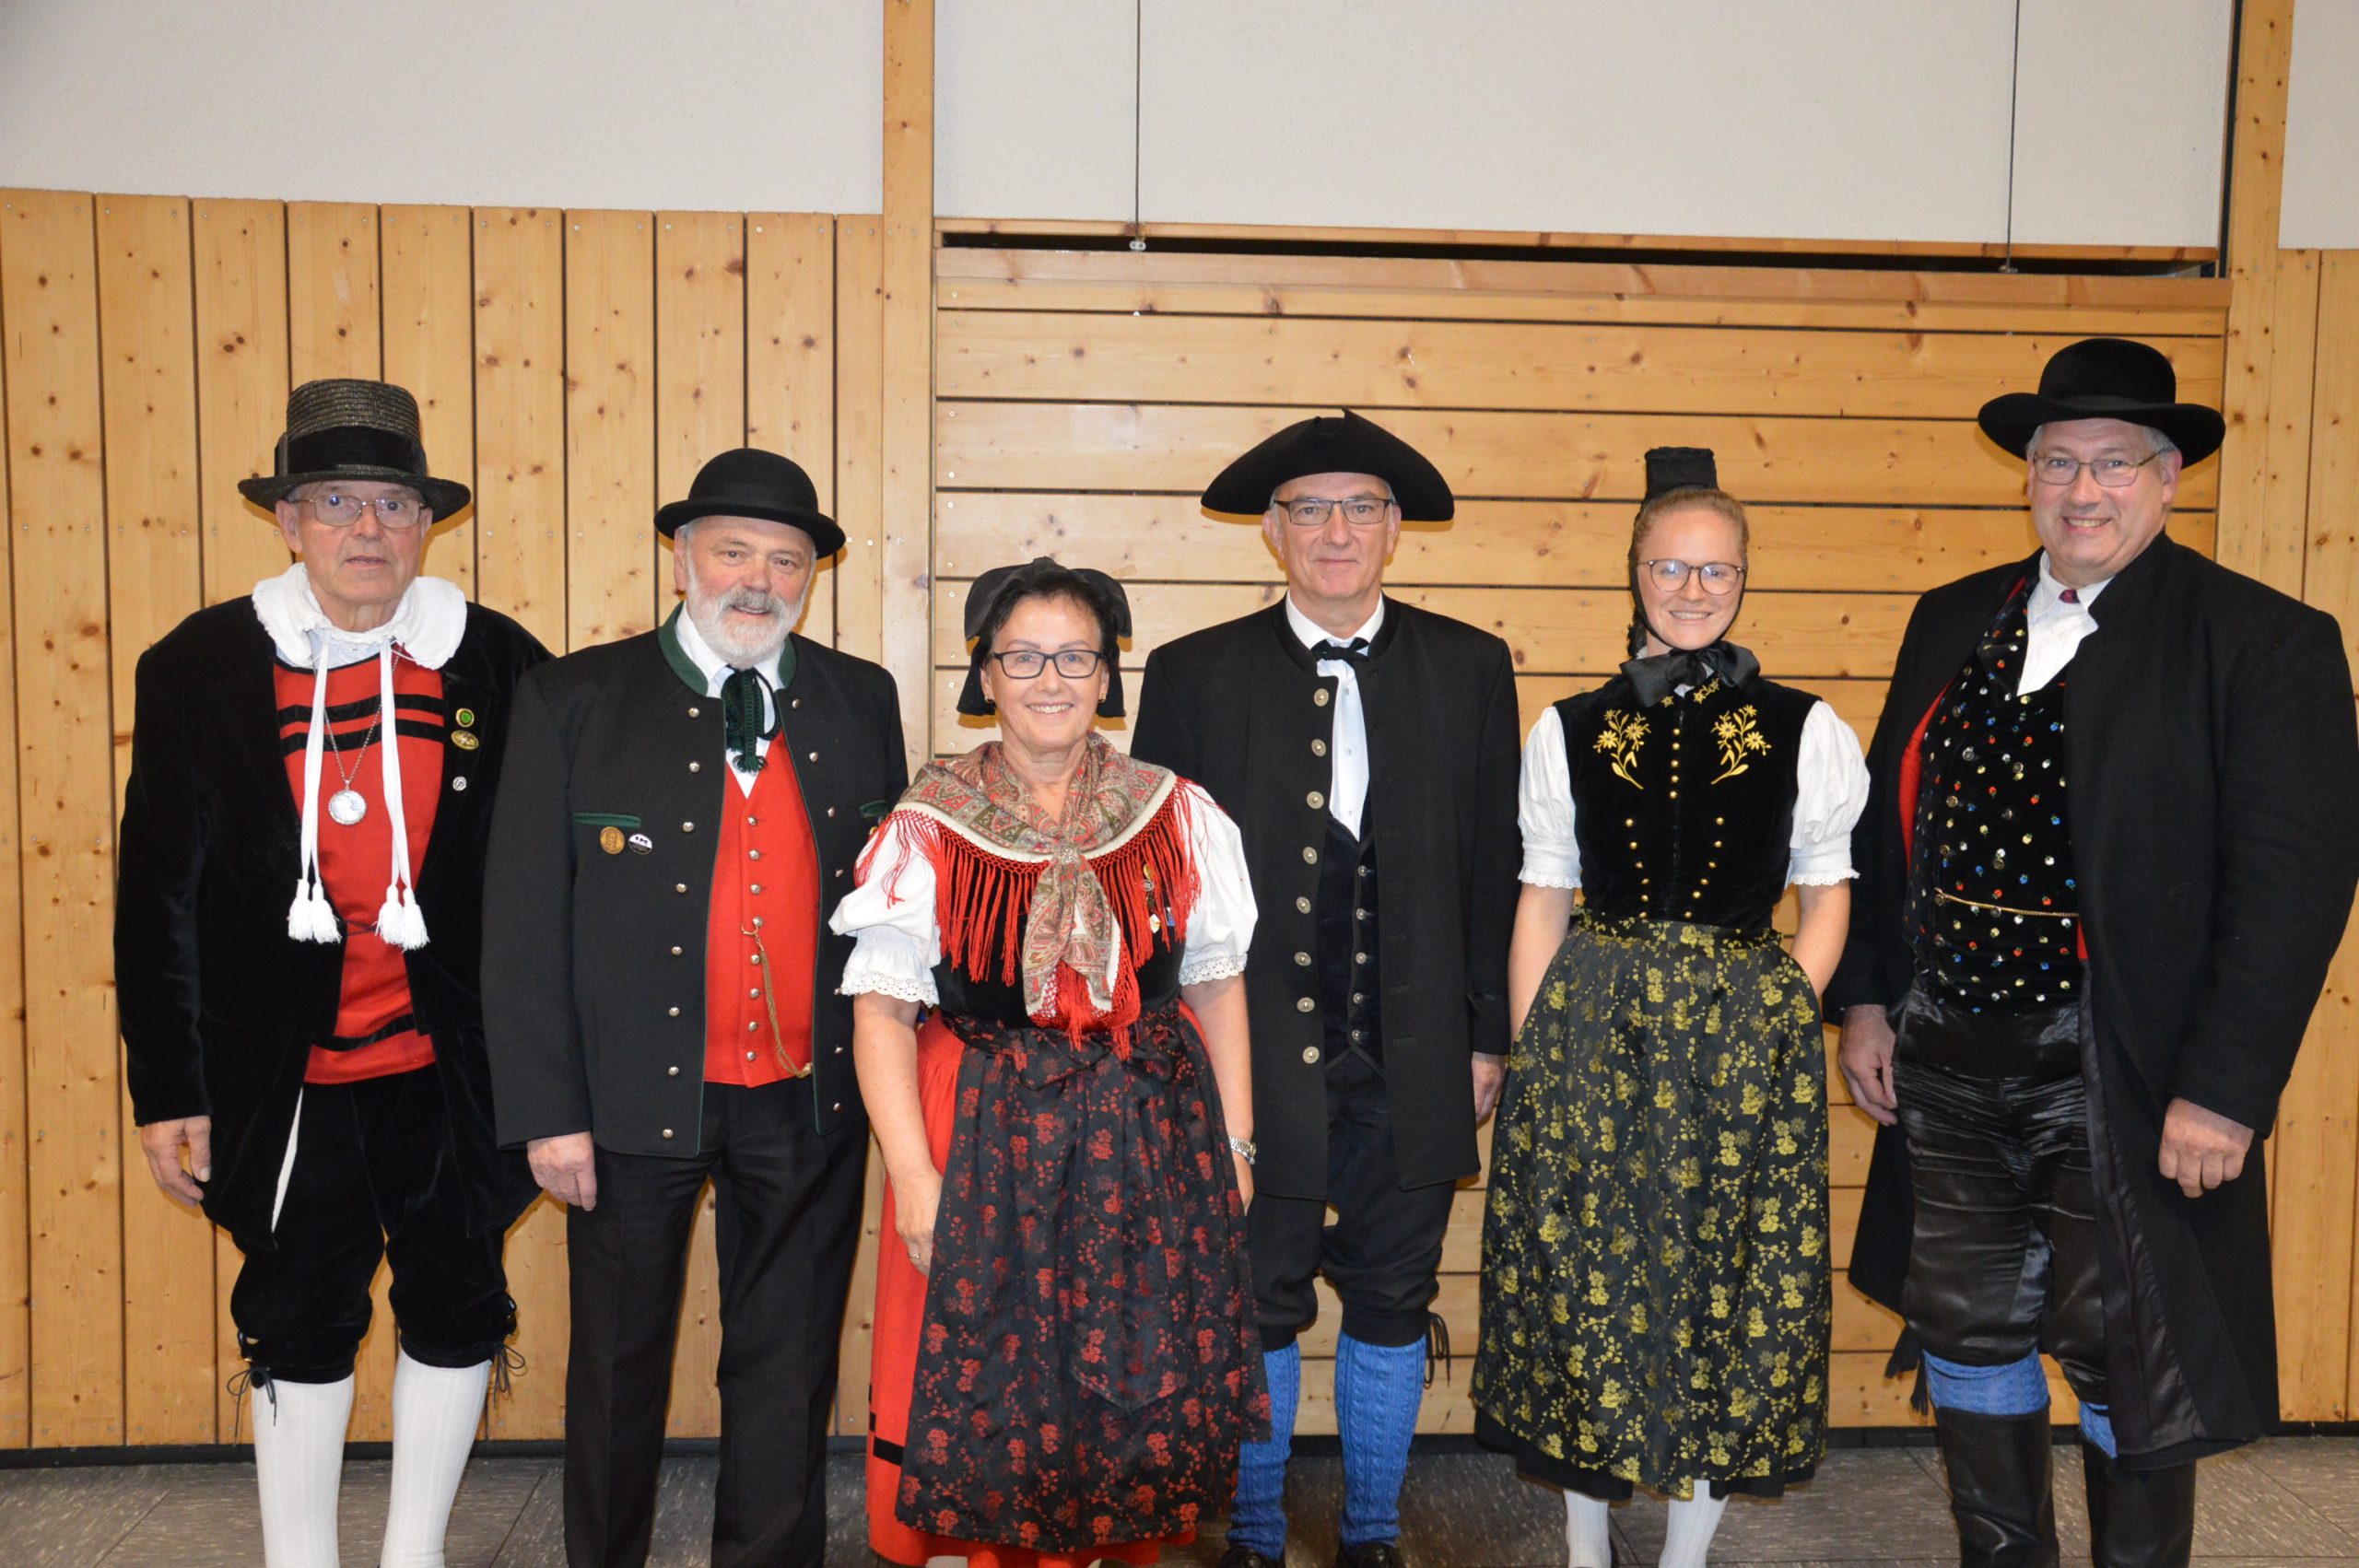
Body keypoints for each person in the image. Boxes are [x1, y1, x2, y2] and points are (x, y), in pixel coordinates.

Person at [1829, 337, 2359, 1567]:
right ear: (2027, 475)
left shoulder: (2261, 639)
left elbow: (2292, 890)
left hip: (2119, 1064)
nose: (2083, 490)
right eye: (2058, 461)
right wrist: (1866, 1001)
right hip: (1947, 1051)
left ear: (2168, 477)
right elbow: (1881, 830)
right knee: (1967, 1327)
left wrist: (2225, 1090)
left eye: (2114, 463)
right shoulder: (1952, 616)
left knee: (2130, 1346)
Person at [116, 379, 548, 1568]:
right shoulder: (201, 663)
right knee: (297, 1310)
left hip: (453, 1065)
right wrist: (169, 1087)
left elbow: (549, 884)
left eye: (394, 504)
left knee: (456, 1297)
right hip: (282, 1069)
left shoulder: (500, 662)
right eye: (337, 501)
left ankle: (415, 1553)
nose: (369, 528)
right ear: (289, 520)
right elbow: (157, 892)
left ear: (427, 523)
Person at [483, 448, 908, 1568]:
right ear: (681, 559)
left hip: (807, 1097)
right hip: (625, 1104)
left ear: (811, 574)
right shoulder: (573, 697)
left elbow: (891, 904)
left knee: (788, 1361)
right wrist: (549, 1112)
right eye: (732, 552)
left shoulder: (861, 697)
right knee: (616, 1364)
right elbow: (522, 923)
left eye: (786, 559)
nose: (758, 579)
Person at [1132, 412, 1523, 1568]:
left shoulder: (1470, 665)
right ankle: (1255, 1532)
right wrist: (1175, 1050)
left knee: (1395, 1293)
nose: (1336, 530)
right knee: (1255, 1294)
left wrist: (1487, 1035)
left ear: (1395, 529)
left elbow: (1495, 863)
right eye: (1311, 509)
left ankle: (1372, 1530)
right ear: (1274, 530)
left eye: (1360, 508)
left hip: (1418, 1049)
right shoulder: (1192, 672)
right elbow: (1159, 881)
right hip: (1248, 1058)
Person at [1471, 449, 1868, 1568]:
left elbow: (1827, 888)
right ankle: (1585, 1549)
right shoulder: (1569, 727)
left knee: (1724, 1287)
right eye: (1670, 568)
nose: (1693, 591)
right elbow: (1543, 893)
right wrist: (1535, 1050)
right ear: (1634, 573)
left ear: (1742, 578)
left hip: (1742, 1040)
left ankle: (1685, 1557)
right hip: (1594, 1031)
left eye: (1715, 571)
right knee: (1582, 1280)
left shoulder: (1805, 727)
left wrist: (1781, 1006)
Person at [833, 556, 1265, 1567]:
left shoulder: (1174, 812)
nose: (1050, 679)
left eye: (1076, 656)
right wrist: (912, 1176)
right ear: (984, 673)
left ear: (1107, 675)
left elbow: (1215, 985)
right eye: (1022, 656)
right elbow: (881, 1012)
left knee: (1126, 1366)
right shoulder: (928, 821)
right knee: (992, 1378)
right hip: (982, 1135)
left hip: (1144, 1138)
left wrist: (1238, 1146)